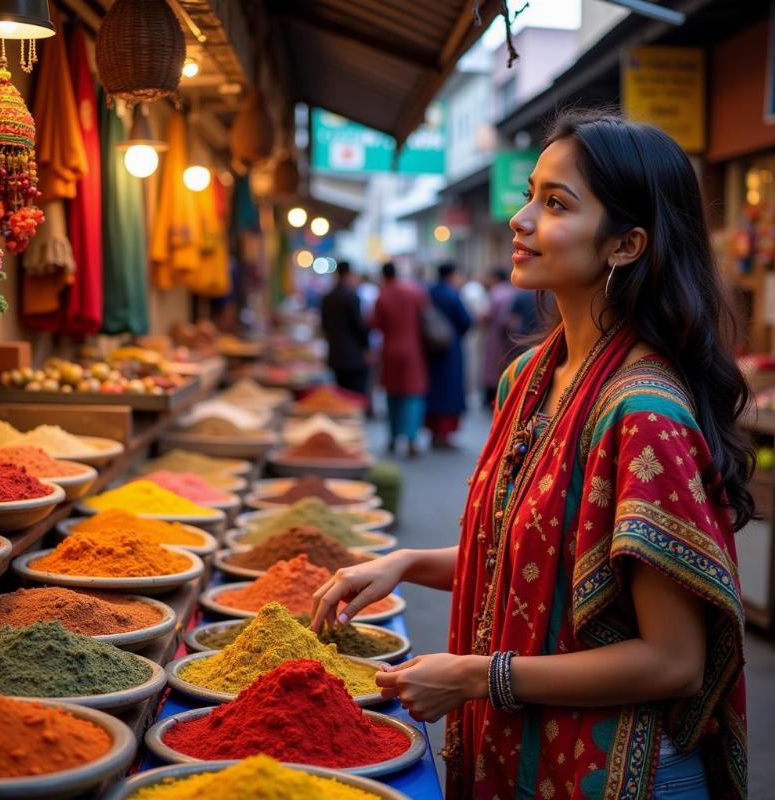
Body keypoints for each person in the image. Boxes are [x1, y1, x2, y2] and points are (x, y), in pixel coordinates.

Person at [312, 110, 749, 799]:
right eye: (530, 195)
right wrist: (405, 564)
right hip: (523, 757)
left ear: (625, 244)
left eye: (555, 204)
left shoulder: (643, 414)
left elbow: (674, 662)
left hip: (619, 775)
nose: (519, 220)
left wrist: (476, 675)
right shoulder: (532, 376)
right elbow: (539, 566)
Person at [371, 261, 428, 456]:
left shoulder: (383, 295)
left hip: (389, 351)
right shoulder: (413, 292)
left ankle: (394, 437)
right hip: (413, 350)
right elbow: (425, 316)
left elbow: (374, 324)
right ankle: (412, 439)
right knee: (413, 395)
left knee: (392, 395)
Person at [425, 263, 472, 448]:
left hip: (430, 350)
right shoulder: (453, 295)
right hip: (451, 351)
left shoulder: (429, 292)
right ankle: (445, 434)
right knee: (450, 391)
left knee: (433, 389)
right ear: (452, 275)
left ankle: (434, 432)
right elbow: (466, 321)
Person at [482, 267, 537, 406]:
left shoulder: (501, 293)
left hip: (513, 339)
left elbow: (509, 321)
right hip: (534, 338)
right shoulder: (522, 292)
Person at [319, 260, 369, 396]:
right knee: (355, 397)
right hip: (353, 356)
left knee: (341, 396)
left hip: (335, 354)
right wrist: (366, 347)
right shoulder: (352, 297)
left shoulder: (327, 298)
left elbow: (324, 326)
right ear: (349, 274)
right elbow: (359, 326)